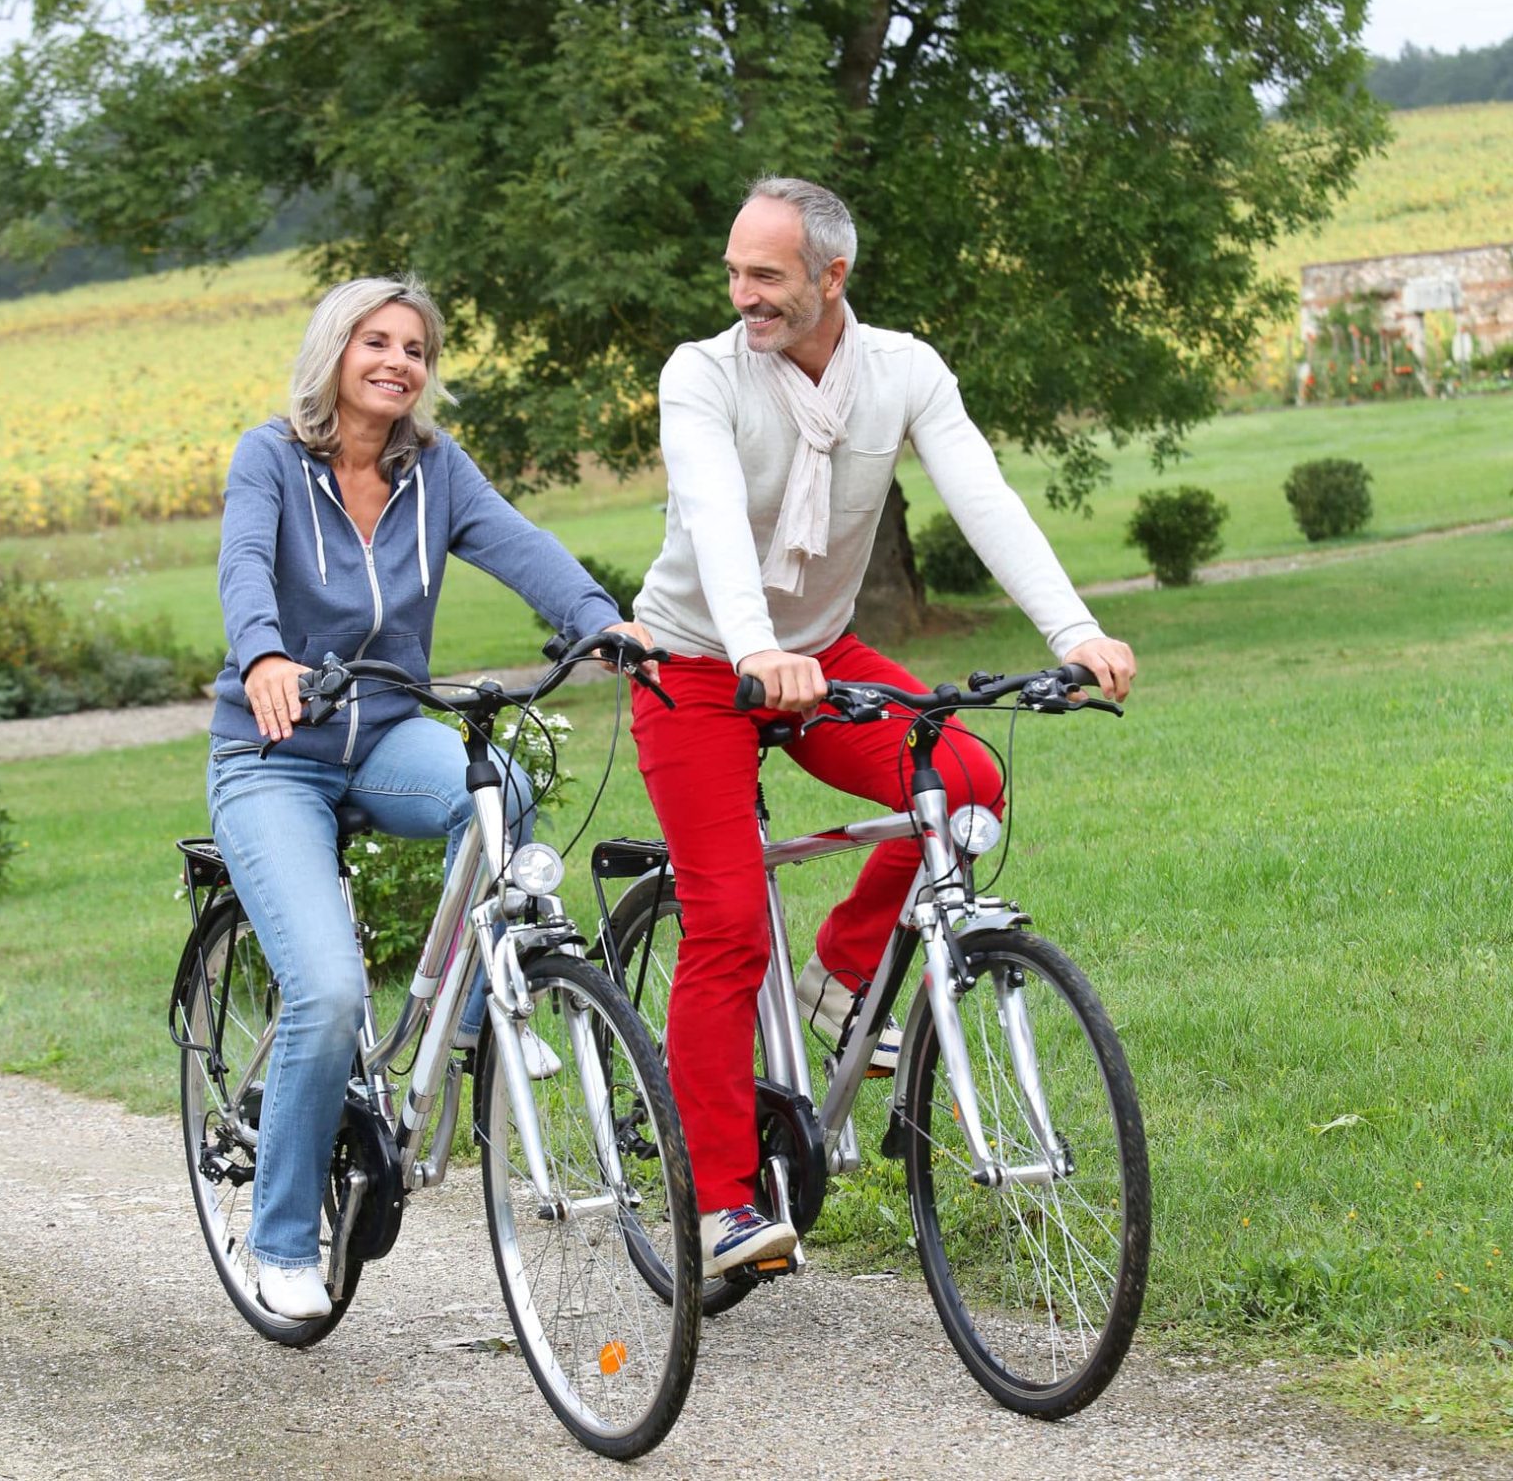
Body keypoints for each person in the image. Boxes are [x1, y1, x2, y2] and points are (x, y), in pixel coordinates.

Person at [630, 178, 1136, 1278]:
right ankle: (717, 1204)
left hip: (820, 655)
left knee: (964, 781)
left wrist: (1074, 629)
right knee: (722, 920)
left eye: (764, 275)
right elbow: (713, 514)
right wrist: (757, 647)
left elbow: (984, 494)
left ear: (831, 276)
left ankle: (840, 971)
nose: (741, 294)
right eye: (733, 271)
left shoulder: (903, 370)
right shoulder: (703, 374)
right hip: (699, 663)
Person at [207, 275, 653, 1322]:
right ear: (335, 351)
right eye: (376, 341)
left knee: (498, 784)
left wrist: (599, 619)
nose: (397, 362)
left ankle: (480, 1020)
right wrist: (263, 653)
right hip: (274, 749)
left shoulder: (434, 468)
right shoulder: (269, 455)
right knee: (324, 991)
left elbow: (518, 542)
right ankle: (280, 1240)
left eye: (414, 348)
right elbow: (241, 569)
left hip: (387, 733)